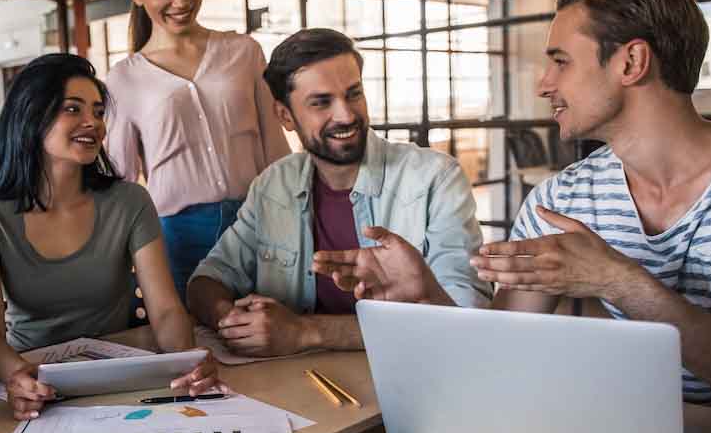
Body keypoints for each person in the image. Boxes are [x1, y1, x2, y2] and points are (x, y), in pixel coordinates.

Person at [313, 0, 711, 419]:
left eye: (560, 62)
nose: (544, 84)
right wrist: (426, 298)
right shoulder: (562, 198)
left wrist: (619, 281)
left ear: (631, 62)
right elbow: (498, 357)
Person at [187, 28, 491, 358]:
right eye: (321, 103)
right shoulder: (273, 186)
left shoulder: (434, 178)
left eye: (354, 94)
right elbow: (206, 280)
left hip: (413, 370)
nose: (346, 115)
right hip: (298, 382)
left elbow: (466, 312)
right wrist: (232, 321)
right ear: (285, 116)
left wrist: (306, 332)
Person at [0, 54, 220, 421]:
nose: (93, 124)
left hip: (122, 373)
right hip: (35, 379)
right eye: (73, 109)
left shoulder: (130, 201)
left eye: (98, 112)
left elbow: (165, 309)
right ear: (32, 116)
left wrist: (186, 361)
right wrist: (16, 376)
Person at [105, 0, 291, 298]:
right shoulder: (124, 79)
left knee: (270, 340)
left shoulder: (244, 52)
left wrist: (294, 219)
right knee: (196, 349)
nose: (181, 0)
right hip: (177, 239)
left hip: (258, 224)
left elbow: (276, 149)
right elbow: (120, 184)